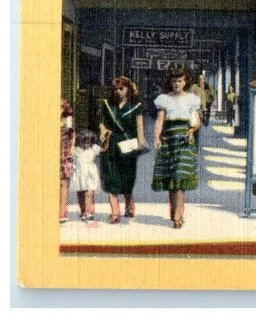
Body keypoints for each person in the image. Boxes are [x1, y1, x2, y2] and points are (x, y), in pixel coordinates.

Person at [151, 67, 201, 229]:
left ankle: (178, 216)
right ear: (170, 82)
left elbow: (196, 121)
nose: (177, 84)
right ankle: (175, 211)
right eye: (174, 81)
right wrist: (157, 137)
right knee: (171, 178)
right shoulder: (164, 99)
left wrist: (192, 130)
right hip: (169, 139)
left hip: (185, 139)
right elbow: (160, 120)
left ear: (186, 82)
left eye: (180, 81)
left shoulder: (192, 100)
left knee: (180, 177)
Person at [98, 76, 146, 224]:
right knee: (110, 177)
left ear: (128, 89)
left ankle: (129, 204)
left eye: (121, 88)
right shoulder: (108, 105)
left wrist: (141, 141)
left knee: (127, 177)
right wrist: (103, 131)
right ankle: (114, 213)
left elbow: (139, 126)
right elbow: (103, 123)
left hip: (128, 143)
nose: (118, 92)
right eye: (116, 89)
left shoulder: (136, 106)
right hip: (111, 144)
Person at [70, 129, 102, 222]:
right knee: (80, 193)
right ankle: (83, 211)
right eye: (84, 140)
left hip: (90, 174)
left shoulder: (94, 148)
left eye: (89, 141)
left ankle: (88, 212)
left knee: (89, 193)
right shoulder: (76, 150)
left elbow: (104, 148)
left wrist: (105, 138)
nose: (86, 143)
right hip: (79, 174)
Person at [59, 100, 74, 223]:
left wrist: (70, 150)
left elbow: (71, 134)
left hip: (64, 154)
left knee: (64, 183)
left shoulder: (67, 121)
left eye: (61, 107)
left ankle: (62, 212)